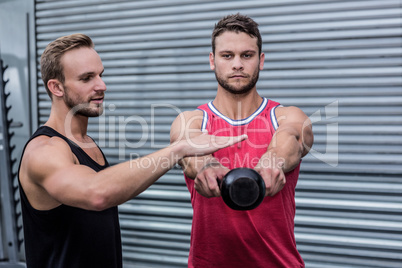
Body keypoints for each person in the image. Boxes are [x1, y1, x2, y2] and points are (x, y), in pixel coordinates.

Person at [17, 33, 247, 268]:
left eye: (100, 75)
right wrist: (179, 149)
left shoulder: (84, 142)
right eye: (87, 78)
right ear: (56, 87)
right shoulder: (45, 150)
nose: (102, 86)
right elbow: (97, 192)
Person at [170, 14, 314, 268]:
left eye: (247, 55)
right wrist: (205, 165)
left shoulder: (286, 116)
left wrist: (274, 160)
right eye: (227, 56)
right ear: (212, 61)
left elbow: (290, 138)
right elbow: (189, 150)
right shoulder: (191, 120)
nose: (237, 64)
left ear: (261, 60)